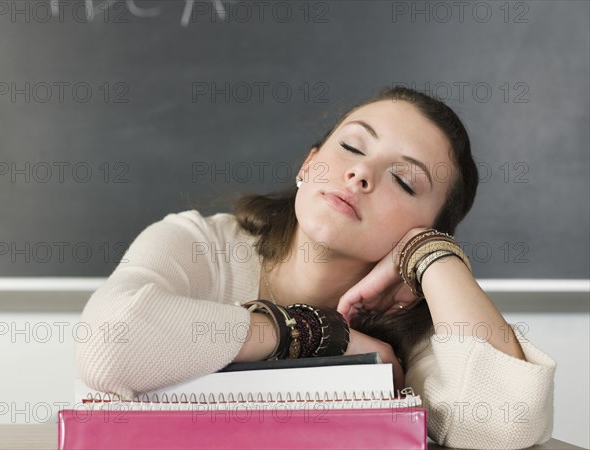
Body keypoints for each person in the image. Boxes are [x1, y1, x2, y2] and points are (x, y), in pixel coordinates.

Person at [77, 86, 556, 449]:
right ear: (309, 165)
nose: (361, 173)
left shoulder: (415, 325)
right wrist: (318, 333)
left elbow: (505, 420)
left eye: (405, 182)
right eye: (351, 147)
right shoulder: (201, 245)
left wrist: (433, 256)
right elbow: (106, 346)